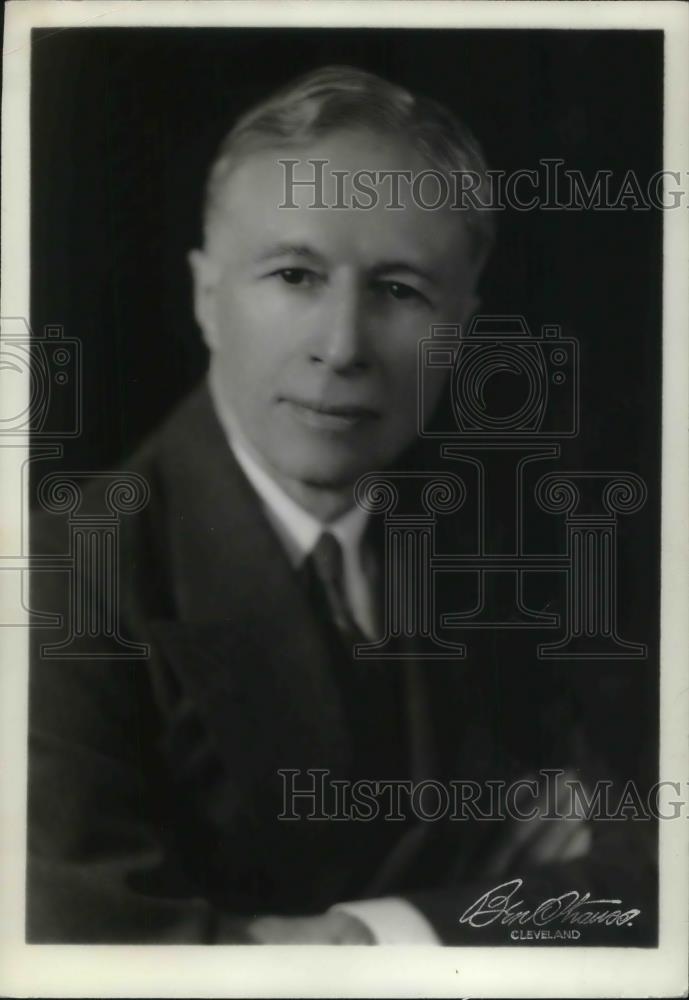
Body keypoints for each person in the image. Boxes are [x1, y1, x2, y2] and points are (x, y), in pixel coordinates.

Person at [27, 66, 655, 945]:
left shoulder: (508, 545)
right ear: (207, 298)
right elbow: (79, 946)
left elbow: (647, 875)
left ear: (464, 328)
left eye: (399, 290)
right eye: (293, 276)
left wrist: (366, 933)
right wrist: (479, 893)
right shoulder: (60, 575)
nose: (341, 346)